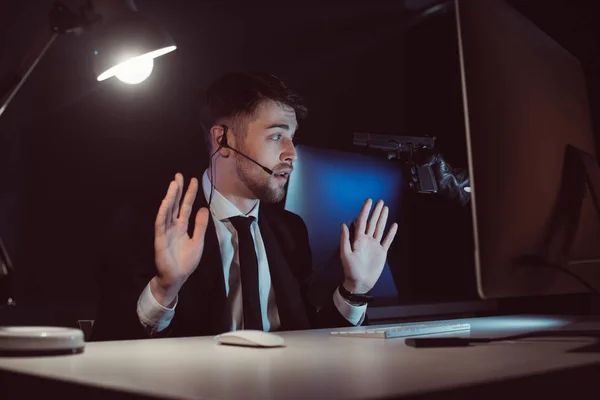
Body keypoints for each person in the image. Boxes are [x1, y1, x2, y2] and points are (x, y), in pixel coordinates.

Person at [90, 72, 398, 341]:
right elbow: (110, 344)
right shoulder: (146, 224)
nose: (292, 153)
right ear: (224, 140)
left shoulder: (290, 231)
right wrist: (164, 289)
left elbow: (308, 342)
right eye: (277, 136)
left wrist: (354, 291)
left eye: (292, 138)